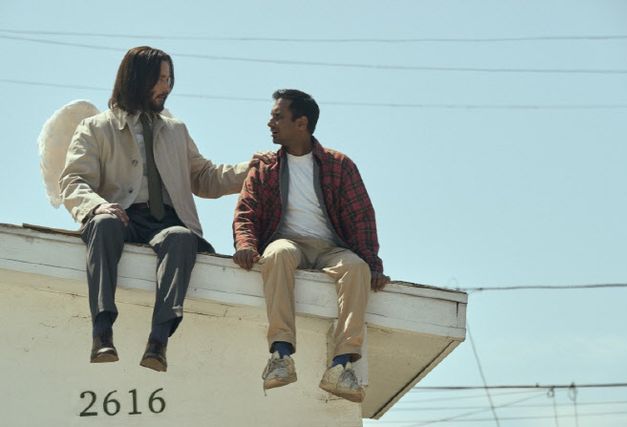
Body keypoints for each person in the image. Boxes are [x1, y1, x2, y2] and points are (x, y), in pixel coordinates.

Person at [60, 46, 262, 372]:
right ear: (137, 79)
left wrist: (251, 169)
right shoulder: (95, 128)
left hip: (166, 221)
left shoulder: (176, 130)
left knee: (181, 238)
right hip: (120, 216)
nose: (166, 87)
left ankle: (158, 341)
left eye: (169, 80)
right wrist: (98, 206)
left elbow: (206, 178)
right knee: (103, 224)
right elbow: (73, 181)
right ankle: (102, 331)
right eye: (160, 79)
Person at [233, 89, 390, 402]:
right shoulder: (265, 167)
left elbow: (361, 218)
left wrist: (373, 265)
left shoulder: (339, 165)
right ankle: (281, 356)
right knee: (277, 254)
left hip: (331, 248)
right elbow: (246, 212)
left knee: (356, 268)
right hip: (288, 242)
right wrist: (246, 244)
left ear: (301, 123)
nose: (270, 123)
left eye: (278, 117)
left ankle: (341, 365)